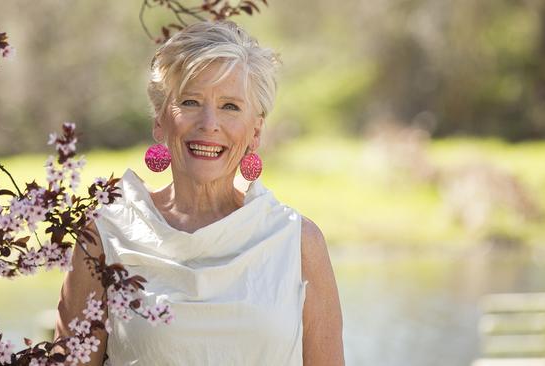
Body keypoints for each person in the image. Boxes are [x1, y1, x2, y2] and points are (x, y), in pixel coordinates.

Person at [55, 20, 344, 366]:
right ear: (160, 120)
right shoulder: (106, 235)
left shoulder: (298, 241)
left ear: (256, 130)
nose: (209, 123)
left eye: (230, 106)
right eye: (190, 101)